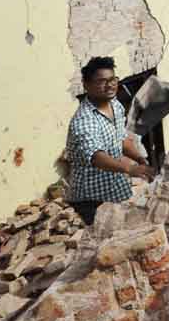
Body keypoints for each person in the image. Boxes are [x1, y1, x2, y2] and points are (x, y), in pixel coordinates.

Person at [64, 57, 154, 226]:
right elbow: (96, 157)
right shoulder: (84, 120)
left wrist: (140, 158)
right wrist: (131, 168)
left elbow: (120, 139)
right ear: (86, 85)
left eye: (113, 79)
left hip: (117, 191)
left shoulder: (115, 105)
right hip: (92, 201)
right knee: (102, 245)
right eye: (102, 81)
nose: (110, 85)